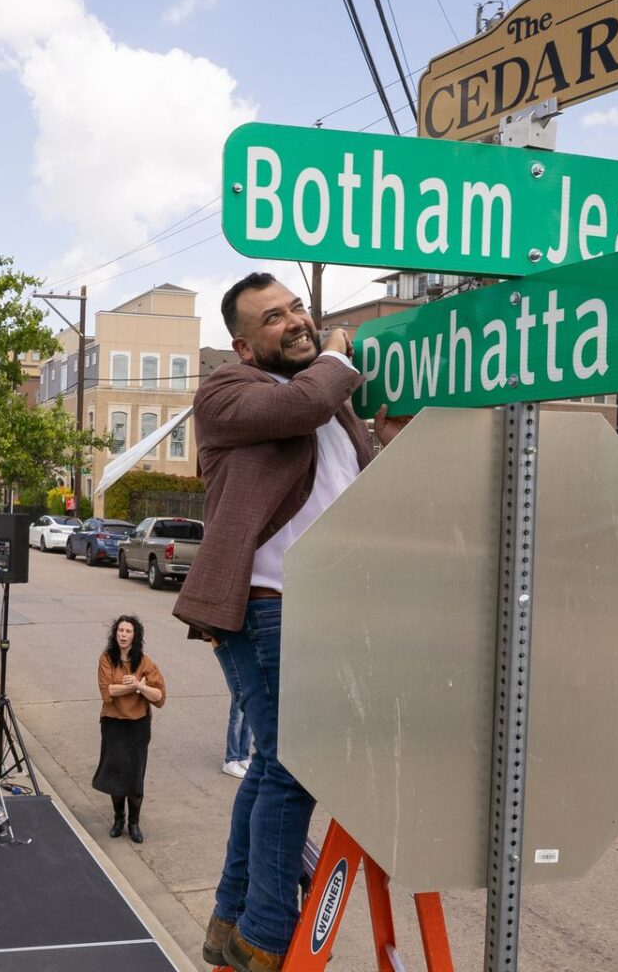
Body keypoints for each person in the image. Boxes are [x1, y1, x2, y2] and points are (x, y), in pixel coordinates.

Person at [178, 272, 406, 972]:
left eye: (298, 307)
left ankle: (232, 921)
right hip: (268, 604)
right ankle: (269, 935)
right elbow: (307, 400)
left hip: (325, 604)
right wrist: (339, 358)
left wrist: (386, 438)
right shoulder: (226, 394)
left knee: (274, 765)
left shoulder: (330, 405)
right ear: (244, 347)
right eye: (274, 317)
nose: (296, 321)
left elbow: (352, 484)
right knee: (296, 765)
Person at [94, 615, 165, 845]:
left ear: (135, 636)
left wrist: (139, 686)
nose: (123, 635)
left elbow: (159, 697)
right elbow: (108, 692)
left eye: (128, 631)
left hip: (138, 725)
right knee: (115, 772)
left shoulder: (145, 662)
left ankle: (134, 823)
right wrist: (135, 687)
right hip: (113, 722)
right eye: (120, 631)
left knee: (135, 774)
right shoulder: (107, 659)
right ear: (115, 634)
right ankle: (118, 819)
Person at [215, 635, 253, 779]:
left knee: (250, 711)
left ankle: (243, 755)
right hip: (235, 654)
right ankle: (231, 759)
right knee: (238, 712)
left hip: (248, 657)